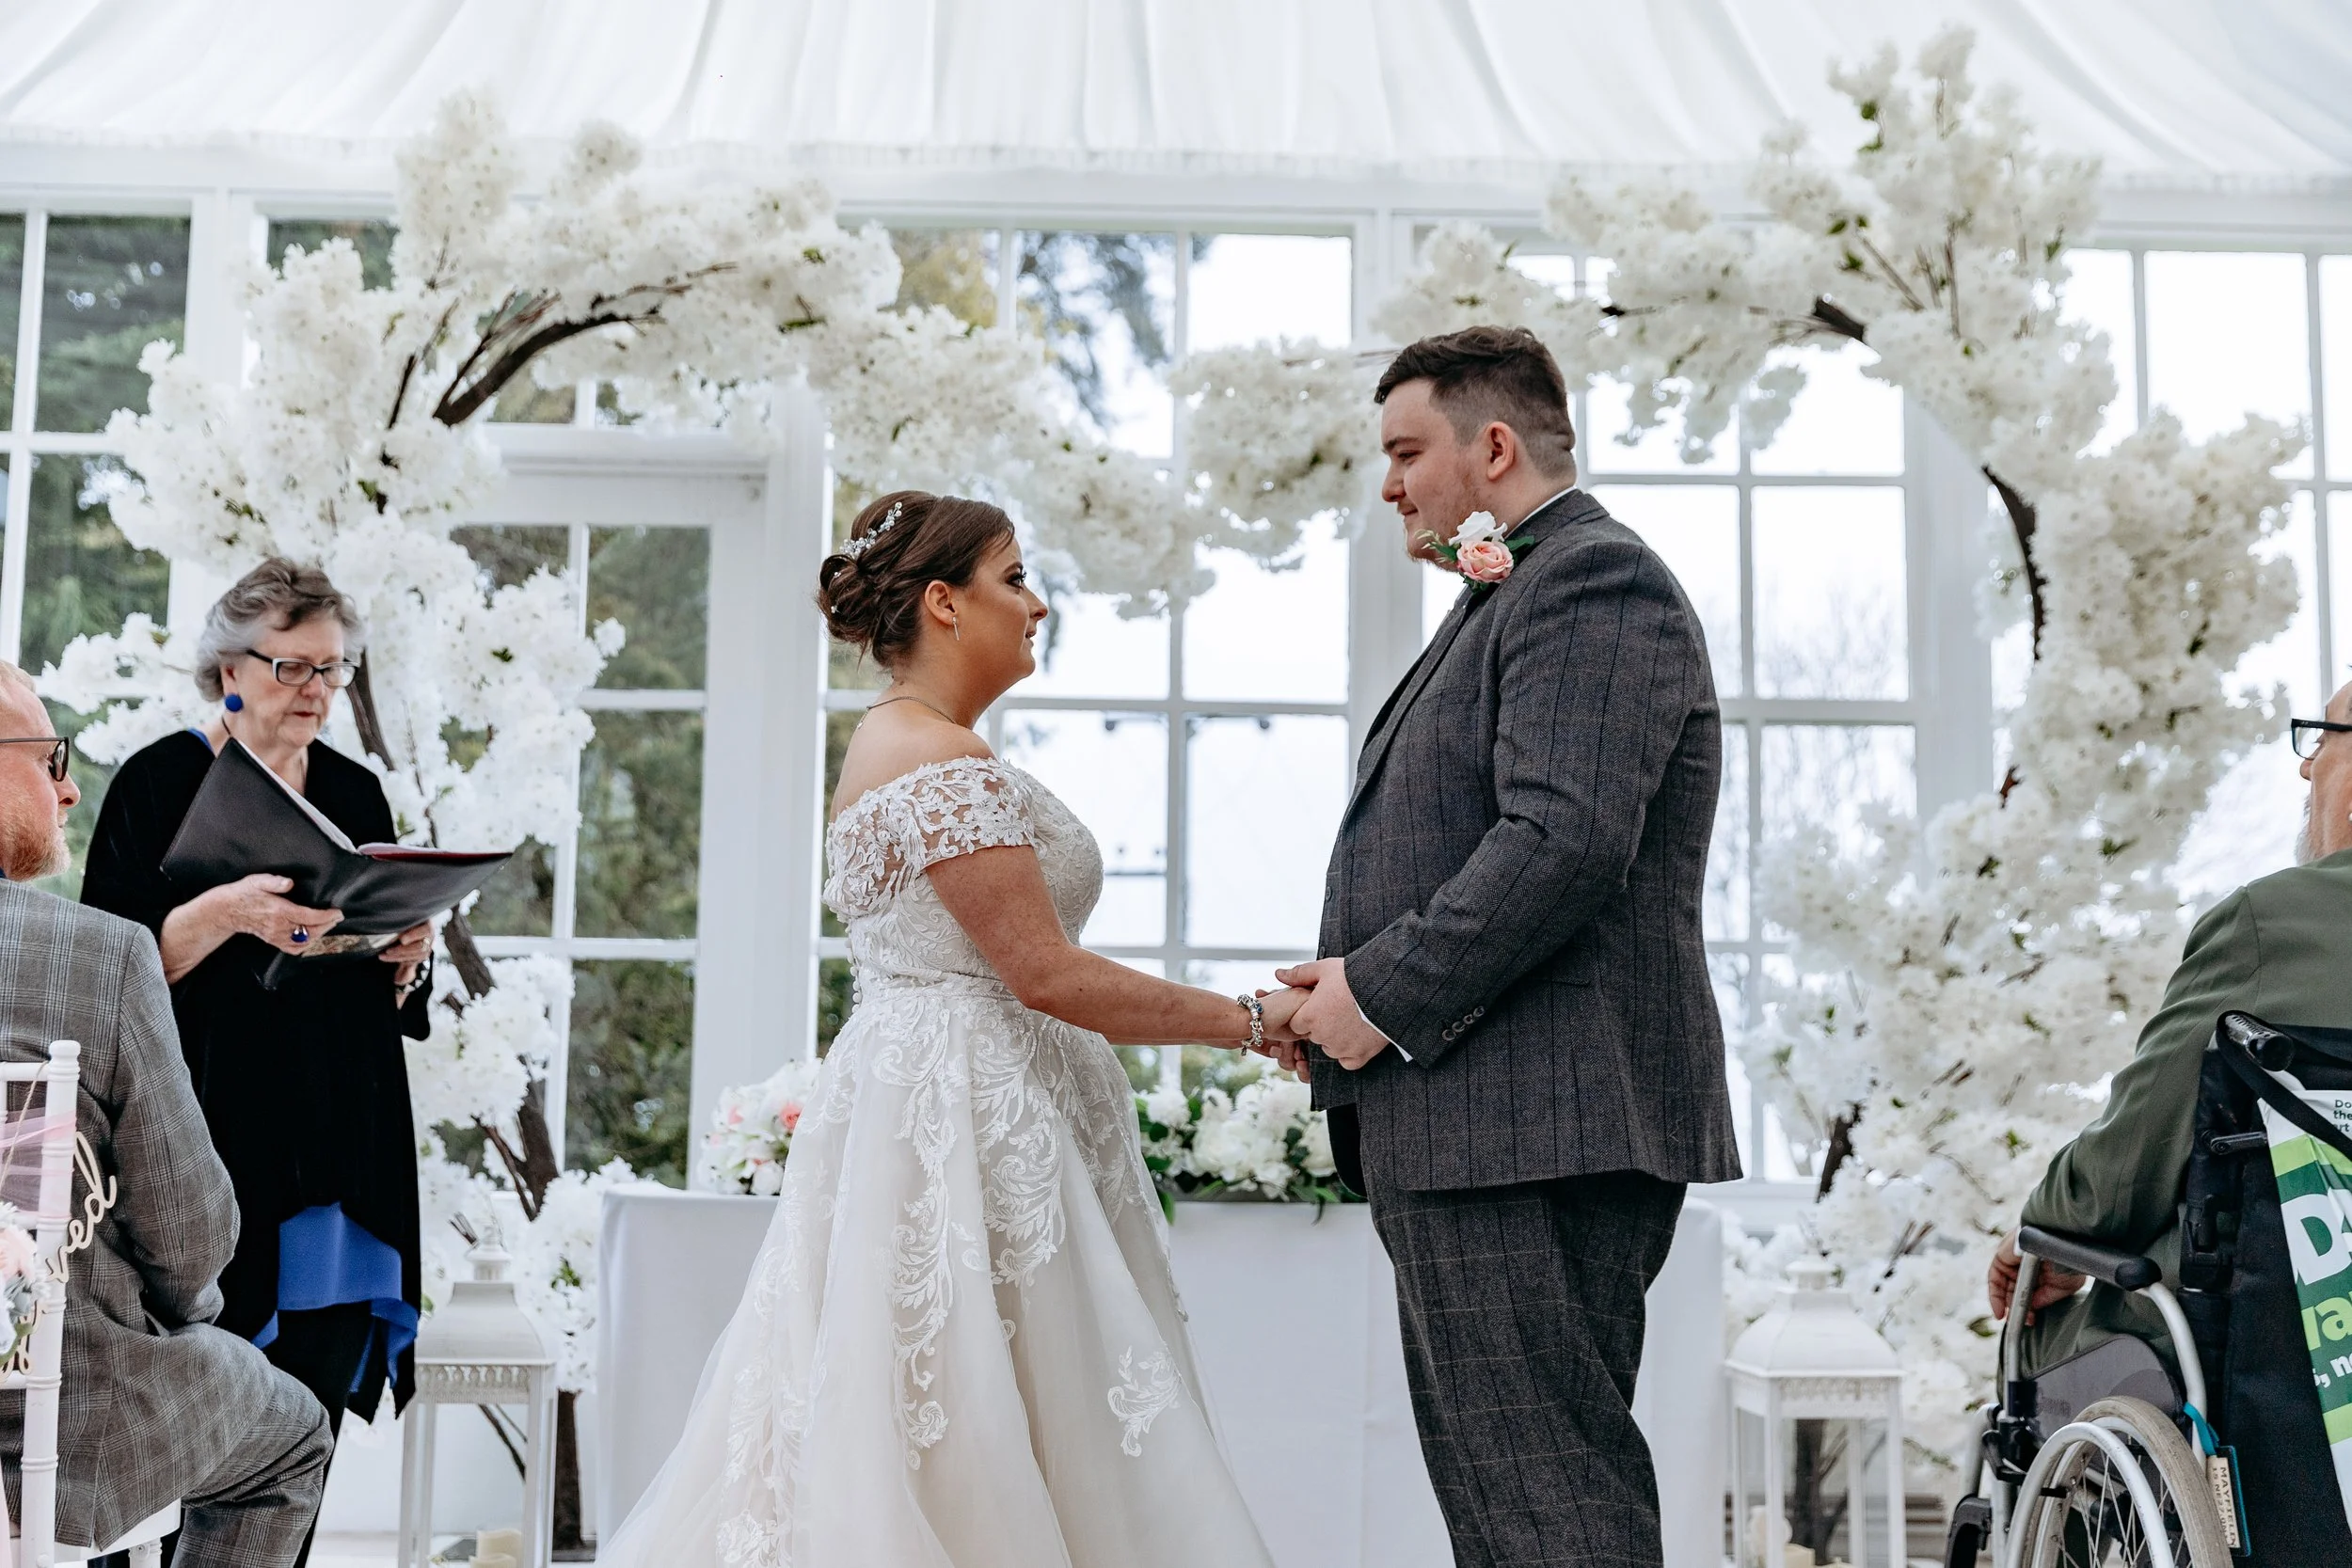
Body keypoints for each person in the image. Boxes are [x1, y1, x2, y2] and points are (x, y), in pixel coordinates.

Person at [599, 491, 1304, 1566]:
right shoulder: (938, 761)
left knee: (969, 1410)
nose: (1038, 604)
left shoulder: (909, 743)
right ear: (943, 601)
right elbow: (1044, 971)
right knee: (978, 1418)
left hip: (942, 1097)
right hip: (964, 1120)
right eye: (1014, 578)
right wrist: (1248, 1019)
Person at [1270, 325, 1740, 1568]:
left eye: (1406, 449)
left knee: (1546, 1509)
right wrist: (1344, 987)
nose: (1389, 483)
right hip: (1484, 1122)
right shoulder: (1517, 589)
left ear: (1492, 446)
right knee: (1510, 1510)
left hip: (1530, 1128)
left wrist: (1377, 990)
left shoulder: (1591, 581)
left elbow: (1564, 839)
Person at [80, 559, 433, 1479]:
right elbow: (105, 974)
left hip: (344, 1147)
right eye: (294, 667)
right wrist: (228, 911)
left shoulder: (355, 792)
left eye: (333, 668)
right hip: (214, 1139)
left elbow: (368, 965)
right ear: (229, 669)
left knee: (303, 1425)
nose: (318, 691)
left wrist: (401, 958)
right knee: (189, 1427)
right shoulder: (155, 784)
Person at [0, 658, 332, 1563]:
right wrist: (178, 1314)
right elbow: (190, 1236)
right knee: (294, 1433)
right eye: (48, 756)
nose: (69, 789)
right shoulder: (99, 958)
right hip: (53, 1430)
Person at [1989, 677, 2352, 1366]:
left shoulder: (2267, 927)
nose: (2306, 767)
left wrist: (2040, 1234)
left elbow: (2123, 1172)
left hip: (2283, 1354)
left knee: (2036, 1346)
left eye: (2322, 738)